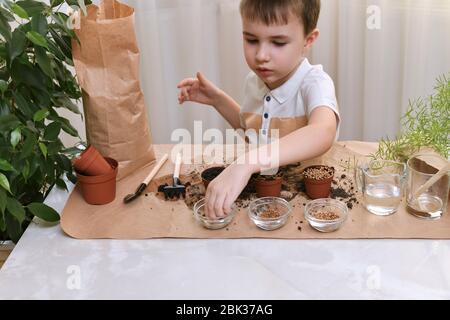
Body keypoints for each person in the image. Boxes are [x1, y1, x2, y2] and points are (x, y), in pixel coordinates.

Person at [177, 0, 340, 218]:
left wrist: (246, 163)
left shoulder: (315, 83)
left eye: (279, 42)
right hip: (264, 201)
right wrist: (218, 100)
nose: (261, 55)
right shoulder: (253, 83)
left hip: (307, 204)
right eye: (251, 40)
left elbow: (322, 132)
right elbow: (254, 133)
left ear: (308, 40)